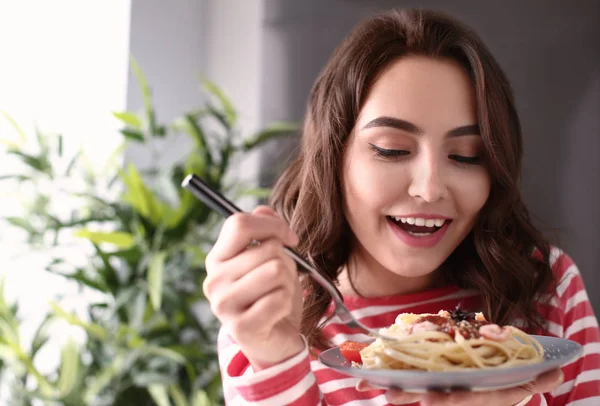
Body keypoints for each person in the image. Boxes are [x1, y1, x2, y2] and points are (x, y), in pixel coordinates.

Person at [203, 8, 600, 406]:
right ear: (333, 157)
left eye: (465, 156)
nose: (429, 189)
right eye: (391, 150)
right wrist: (277, 357)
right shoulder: (267, 317)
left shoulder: (546, 287)